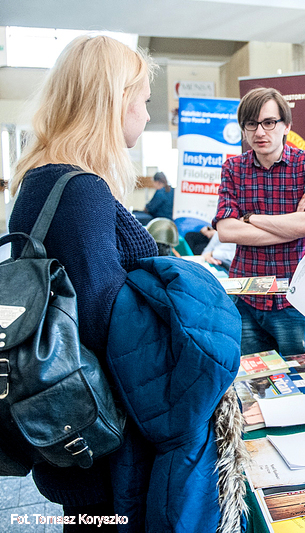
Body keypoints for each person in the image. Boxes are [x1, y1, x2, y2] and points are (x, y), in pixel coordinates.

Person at [8, 34, 159, 530]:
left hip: (65, 412)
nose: (146, 114)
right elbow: (104, 318)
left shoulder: (40, 179)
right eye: (143, 100)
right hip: (101, 426)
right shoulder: (82, 189)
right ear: (115, 100)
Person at [214, 87, 305, 357]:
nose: (260, 132)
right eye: (251, 124)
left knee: (303, 377)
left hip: (295, 298)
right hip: (246, 297)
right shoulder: (233, 168)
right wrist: (291, 227)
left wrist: (250, 218)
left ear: (286, 126)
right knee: (254, 379)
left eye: (269, 122)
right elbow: (226, 231)